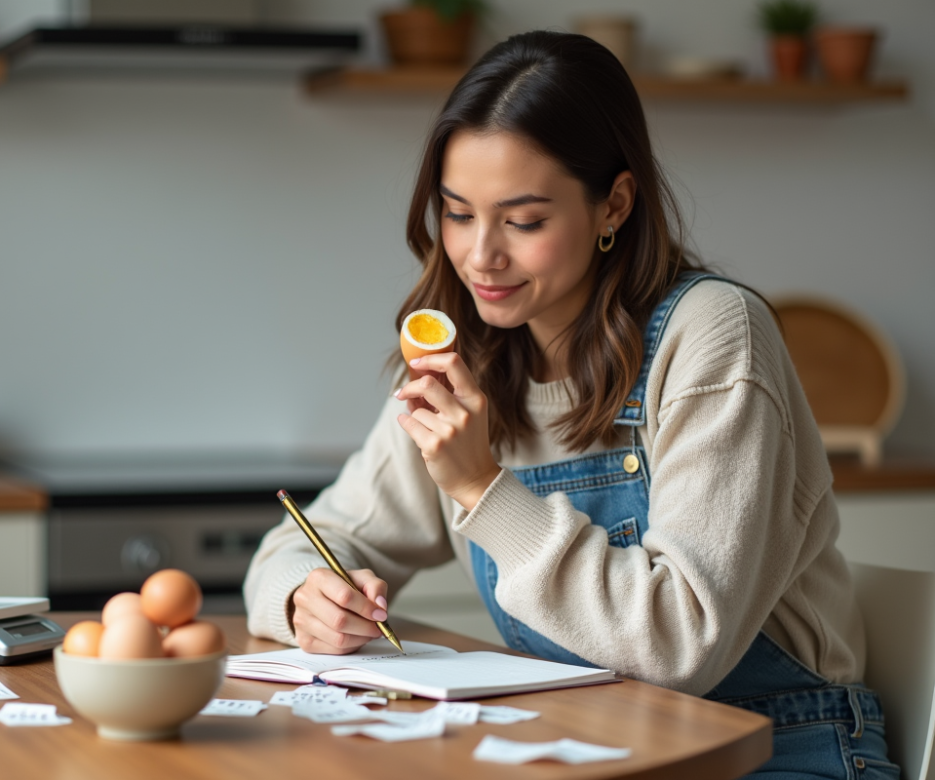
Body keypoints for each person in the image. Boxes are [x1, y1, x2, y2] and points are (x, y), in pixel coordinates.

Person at [243, 31, 896, 779]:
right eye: (458, 214)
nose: (481, 255)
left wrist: (481, 490)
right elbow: (303, 542)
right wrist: (307, 599)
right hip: (584, 742)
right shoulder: (480, 359)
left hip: (773, 743)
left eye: (523, 221)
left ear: (613, 204)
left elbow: (680, 647)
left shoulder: (712, 336)